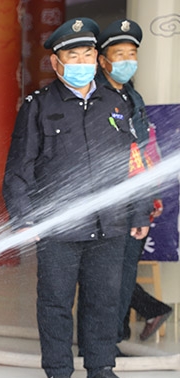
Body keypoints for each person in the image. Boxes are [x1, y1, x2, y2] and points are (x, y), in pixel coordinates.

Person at [2, 18, 152, 378]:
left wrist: (139, 212)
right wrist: (24, 218)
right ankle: (58, 370)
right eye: (73, 55)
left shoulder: (116, 103)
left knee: (104, 297)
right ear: (57, 63)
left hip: (111, 223)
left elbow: (133, 164)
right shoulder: (38, 107)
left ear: (96, 58)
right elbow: (19, 168)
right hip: (59, 226)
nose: (82, 60)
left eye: (88, 53)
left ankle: (101, 366)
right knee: (55, 299)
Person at [96, 19, 172, 343]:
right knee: (101, 276)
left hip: (134, 205)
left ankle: (112, 341)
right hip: (101, 208)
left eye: (132, 53)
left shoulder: (134, 99)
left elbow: (143, 154)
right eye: (119, 53)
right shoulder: (92, 99)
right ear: (103, 60)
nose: (127, 60)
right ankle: (105, 339)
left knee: (123, 275)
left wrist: (147, 201)